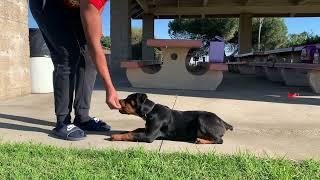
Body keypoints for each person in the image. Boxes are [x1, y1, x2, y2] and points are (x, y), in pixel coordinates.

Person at [29, 0, 121, 141]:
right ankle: (63, 121)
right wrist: (109, 86)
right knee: (67, 55)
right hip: (48, 5)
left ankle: (82, 117)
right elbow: (94, 46)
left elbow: (93, 33)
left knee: (88, 59)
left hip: (72, 7)